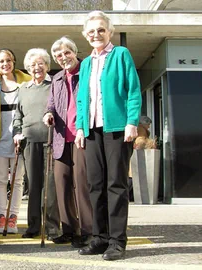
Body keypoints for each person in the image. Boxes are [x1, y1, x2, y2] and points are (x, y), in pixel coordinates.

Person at [75, 11, 142, 260]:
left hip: (116, 129)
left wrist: (131, 122)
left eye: (101, 30)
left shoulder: (121, 55)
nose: (96, 34)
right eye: (91, 31)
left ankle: (117, 241)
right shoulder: (86, 64)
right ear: (85, 35)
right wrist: (80, 127)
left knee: (116, 184)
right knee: (95, 185)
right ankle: (100, 238)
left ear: (109, 32)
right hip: (92, 129)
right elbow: (82, 98)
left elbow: (133, 90)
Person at [43, 37, 92, 248]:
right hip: (61, 138)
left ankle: (88, 231)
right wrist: (48, 114)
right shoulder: (57, 78)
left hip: (82, 137)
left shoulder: (87, 72)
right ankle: (69, 229)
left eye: (66, 53)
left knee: (81, 184)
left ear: (74, 51)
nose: (63, 58)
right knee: (61, 182)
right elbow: (51, 104)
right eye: (58, 56)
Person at [13, 48, 59, 238]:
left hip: (51, 140)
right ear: (27, 68)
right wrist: (17, 132)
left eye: (41, 64)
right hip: (30, 141)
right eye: (32, 65)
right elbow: (18, 115)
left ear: (47, 65)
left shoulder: (55, 84)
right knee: (33, 185)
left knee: (50, 185)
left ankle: (52, 227)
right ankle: (33, 227)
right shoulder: (23, 89)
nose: (37, 68)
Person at [0, 49, 32, 234]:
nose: (5, 64)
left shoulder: (26, 81)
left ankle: (13, 218)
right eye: (1, 61)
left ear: (14, 62)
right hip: (0, 138)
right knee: (0, 180)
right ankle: (1, 217)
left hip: (19, 138)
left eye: (9, 60)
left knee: (18, 180)